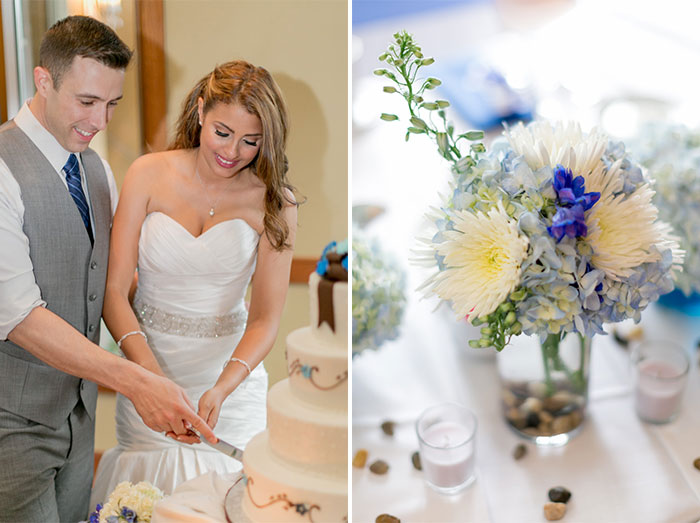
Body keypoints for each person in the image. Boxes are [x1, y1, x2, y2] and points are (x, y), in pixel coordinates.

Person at [0, 16, 217, 523]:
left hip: (78, 420)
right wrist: (137, 382)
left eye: (112, 104)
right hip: (11, 421)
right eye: (87, 101)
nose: (100, 121)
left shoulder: (95, 168)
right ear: (44, 79)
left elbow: (111, 284)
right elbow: (19, 316)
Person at [90, 60, 297, 502]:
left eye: (250, 142)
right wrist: (150, 382)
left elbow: (263, 320)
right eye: (223, 132)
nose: (232, 151)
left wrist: (223, 386)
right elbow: (112, 292)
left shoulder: (276, 201)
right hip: (148, 366)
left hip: (230, 385)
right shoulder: (147, 173)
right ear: (201, 112)